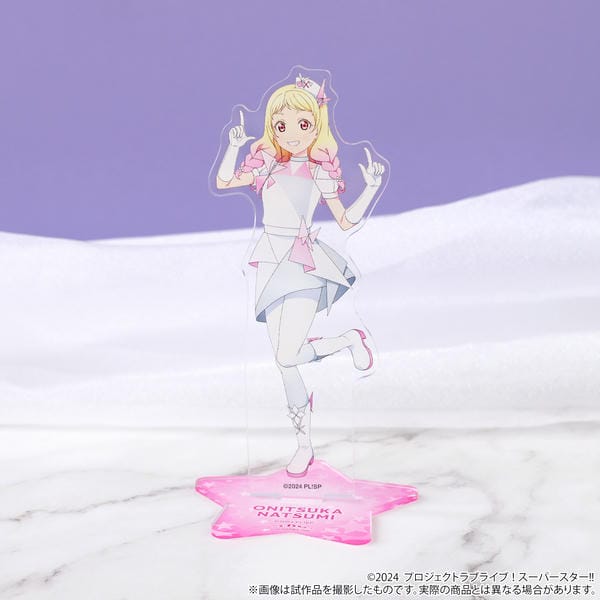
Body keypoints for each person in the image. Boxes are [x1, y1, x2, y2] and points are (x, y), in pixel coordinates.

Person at [215, 74, 385, 477]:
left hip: (303, 261)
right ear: (272, 127)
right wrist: (234, 146)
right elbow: (223, 182)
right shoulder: (267, 165)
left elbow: (345, 221)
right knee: (283, 361)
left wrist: (370, 188)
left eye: (302, 124)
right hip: (269, 258)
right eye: (281, 125)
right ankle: (304, 445)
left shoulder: (318, 172)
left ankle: (348, 340)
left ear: (316, 125)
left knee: (286, 355)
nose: (292, 133)